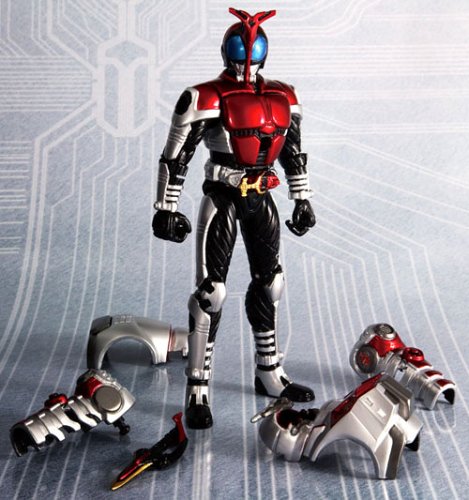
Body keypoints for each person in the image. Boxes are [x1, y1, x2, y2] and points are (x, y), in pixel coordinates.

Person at [152, 8, 316, 429]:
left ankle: (269, 371)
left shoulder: (284, 95)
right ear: (228, 51)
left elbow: (293, 151)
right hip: (223, 196)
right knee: (211, 292)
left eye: (253, 48)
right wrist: (166, 208)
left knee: (271, 283)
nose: (247, 56)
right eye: (242, 47)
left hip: (262, 197)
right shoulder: (204, 96)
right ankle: (198, 387)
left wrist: (302, 197)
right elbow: (176, 156)